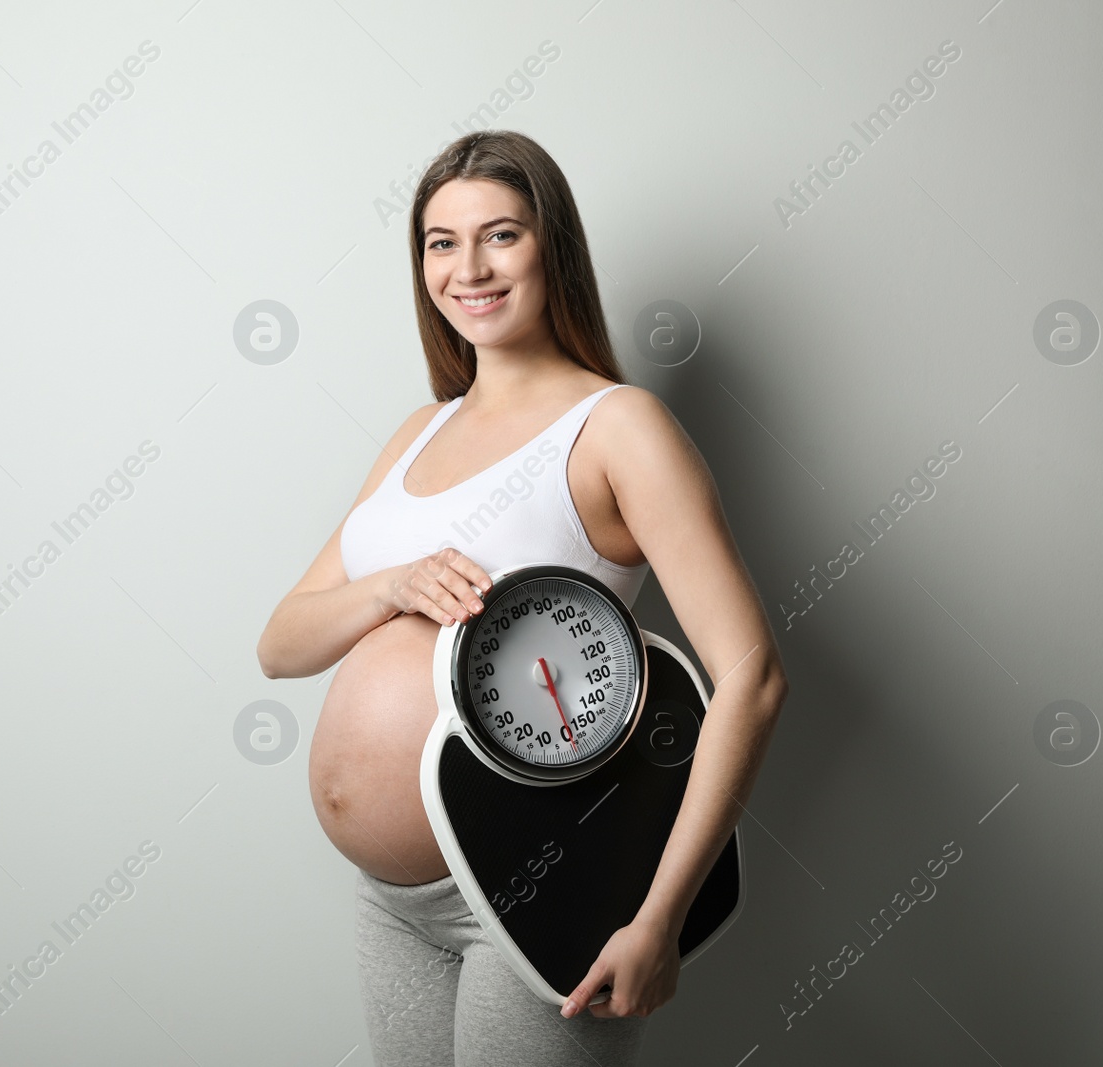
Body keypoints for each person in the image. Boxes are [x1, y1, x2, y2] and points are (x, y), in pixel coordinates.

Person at [256, 129, 788, 1067]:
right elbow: (282, 643)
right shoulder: (421, 430)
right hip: (393, 901)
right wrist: (391, 587)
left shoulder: (616, 426)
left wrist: (658, 918)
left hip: (536, 882)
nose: (470, 268)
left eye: (500, 235)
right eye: (440, 241)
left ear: (554, 247)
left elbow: (752, 676)